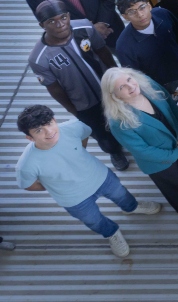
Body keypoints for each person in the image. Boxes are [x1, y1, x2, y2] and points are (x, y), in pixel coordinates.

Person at [16, 105, 161, 258]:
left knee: (121, 194)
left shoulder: (73, 127)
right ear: (29, 138)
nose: (49, 131)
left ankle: (132, 207)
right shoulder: (26, 164)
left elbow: (84, 134)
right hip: (73, 199)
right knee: (93, 221)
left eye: (49, 123)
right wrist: (54, 186)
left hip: (100, 177)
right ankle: (111, 233)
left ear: (54, 120)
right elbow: (28, 185)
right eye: (39, 130)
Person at [28, 0, 129, 171]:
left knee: (124, 117)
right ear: (42, 25)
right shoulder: (38, 58)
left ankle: (131, 141)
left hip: (108, 90)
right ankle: (114, 151)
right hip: (84, 103)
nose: (60, 24)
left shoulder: (85, 28)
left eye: (63, 17)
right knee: (100, 132)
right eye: (52, 21)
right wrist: (74, 109)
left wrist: (118, 78)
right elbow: (54, 88)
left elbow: (103, 52)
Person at [102, 67, 178, 214]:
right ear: (115, 96)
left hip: (177, 140)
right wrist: (174, 153)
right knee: (173, 183)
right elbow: (142, 151)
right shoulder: (118, 121)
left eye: (129, 79)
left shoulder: (148, 85)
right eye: (122, 87)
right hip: (156, 160)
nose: (131, 86)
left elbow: (172, 107)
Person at [114, 0, 178, 98]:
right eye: (132, 12)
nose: (140, 14)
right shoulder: (123, 46)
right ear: (125, 17)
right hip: (159, 86)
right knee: (169, 111)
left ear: (149, 6)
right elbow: (135, 76)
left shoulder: (163, 14)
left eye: (142, 7)